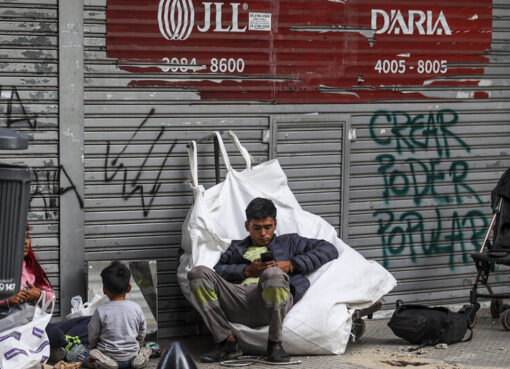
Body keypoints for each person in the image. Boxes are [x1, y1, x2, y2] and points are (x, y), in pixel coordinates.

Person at [187, 197, 339, 363]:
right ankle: (227, 342)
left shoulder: (289, 242)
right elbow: (218, 272)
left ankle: (275, 344)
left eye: (268, 227)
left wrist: (291, 264)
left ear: (275, 223)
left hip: (272, 300)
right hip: (237, 299)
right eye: (256, 228)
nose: (263, 234)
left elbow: (329, 249)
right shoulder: (236, 247)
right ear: (247, 226)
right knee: (197, 273)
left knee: (272, 274)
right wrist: (245, 271)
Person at [83, 261, 152, 369]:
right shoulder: (136, 307)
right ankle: (140, 356)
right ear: (129, 288)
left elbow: (93, 335)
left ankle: (102, 360)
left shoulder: (101, 310)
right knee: (138, 349)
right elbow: (142, 331)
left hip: (108, 356)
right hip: (131, 356)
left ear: (104, 290)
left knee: (78, 354)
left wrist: (92, 346)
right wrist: (137, 342)